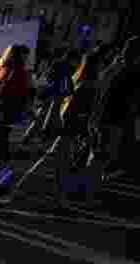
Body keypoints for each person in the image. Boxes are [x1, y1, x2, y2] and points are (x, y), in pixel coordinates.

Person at [13, 49, 102, 207]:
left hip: (67, 125)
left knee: (59, 162)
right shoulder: (85, 84)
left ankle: (54, 196)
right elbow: (73, 108)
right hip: (70, 128)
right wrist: (82, 129)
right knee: (57, 161)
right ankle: (26, 187)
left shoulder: (78, 79)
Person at [86, 36, 140, 186]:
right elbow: (132, 99)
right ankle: (87, 188)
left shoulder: (115, 67)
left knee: (101, 155)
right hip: (112, 118)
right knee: (103, 155)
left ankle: (90, 185)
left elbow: (101, 92)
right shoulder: (130, 70)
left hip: (104, 116)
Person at [0, 44, 32, 162]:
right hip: (6, 118)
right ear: (20, 57)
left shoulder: (0, 72)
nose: (27, 60)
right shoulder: (18, 72)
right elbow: (15, 95)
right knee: (2, 156)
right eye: (25, 57)